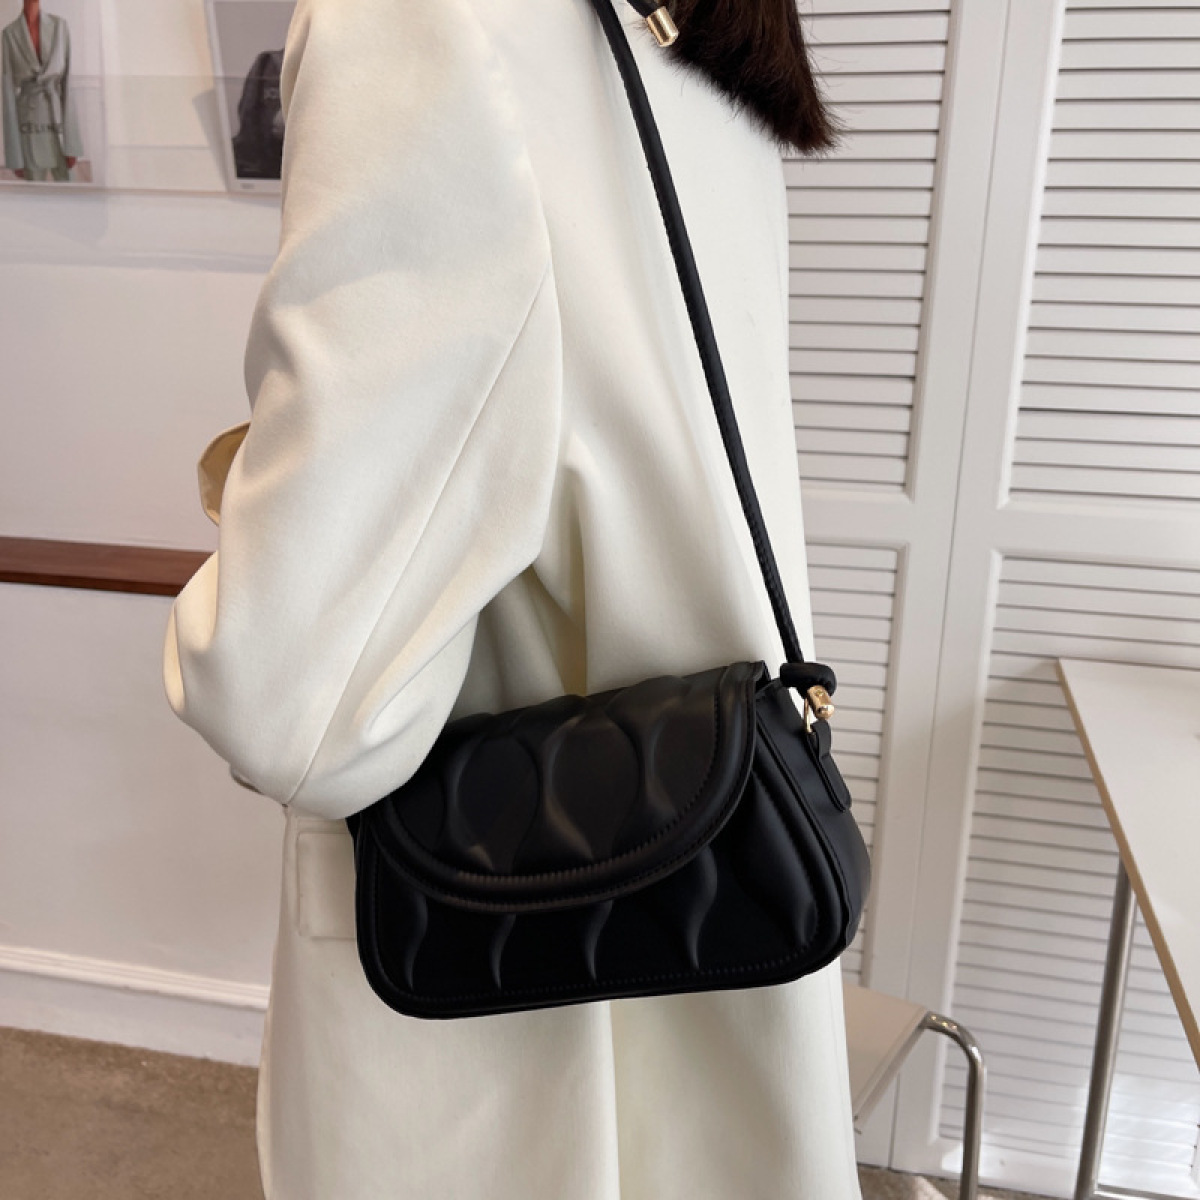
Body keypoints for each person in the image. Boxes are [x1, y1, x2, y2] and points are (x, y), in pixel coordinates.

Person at [163, 0, 863, 1196]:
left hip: (509, 1034)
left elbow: (294, 707)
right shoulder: (682, 34)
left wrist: (247, 499)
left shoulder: (426, 23)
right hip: (706, 933)